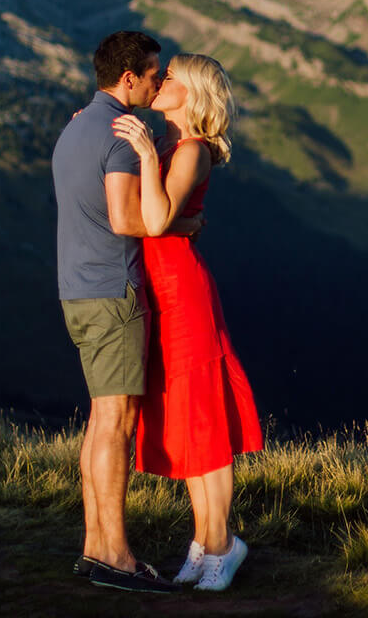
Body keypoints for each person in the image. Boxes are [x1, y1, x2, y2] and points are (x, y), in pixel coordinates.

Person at [51, 30, 198, 594]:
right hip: (113, 294)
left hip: (75, 291)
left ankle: (95, 547)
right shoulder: (117, 137)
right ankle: (115, 555)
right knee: (117, 423)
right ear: (128, 78)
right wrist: (177, 224)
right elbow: (124, 218)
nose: (161, 82)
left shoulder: (75, 127)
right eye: (154, 74)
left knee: (99, 419)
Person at [112, 53, 263, 592]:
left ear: (192, 93)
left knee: (205, 421)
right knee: (189, 421)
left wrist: (146, 157)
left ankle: (223, 546)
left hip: (183, 296)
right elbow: (169, 220)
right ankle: (205, 541)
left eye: (171, 77)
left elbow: (158, 219)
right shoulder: (181, 148)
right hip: (166, 292)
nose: (162, 81)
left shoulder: (190, 149)